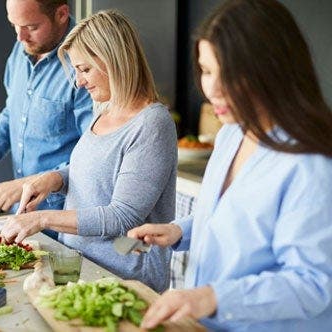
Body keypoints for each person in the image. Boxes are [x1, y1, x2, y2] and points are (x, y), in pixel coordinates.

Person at [128, 0, 332, 330]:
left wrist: (210, 298)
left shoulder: (311, 163)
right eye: (207, 71)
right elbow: (234, 217)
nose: (212, 90)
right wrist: (181, 230)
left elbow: (312, 282)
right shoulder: (231, 135)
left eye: (231, 74)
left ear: (274, 70)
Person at [0, 9, 178, 292]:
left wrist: (41, 218)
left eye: (84, 69)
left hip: (124, 279)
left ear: (114, 60)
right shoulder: (104, 110)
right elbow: (96, 173)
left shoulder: (152, 123)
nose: (79, 82)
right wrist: (55, 179)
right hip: (82, 268)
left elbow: (122, 216)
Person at [0, 0, 93, 216]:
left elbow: (94, 156)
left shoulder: (86, 65)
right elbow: (13, 110)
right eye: (14, 25)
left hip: (64, 218)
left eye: (31, 27)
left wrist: (30, 183)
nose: (19, 37)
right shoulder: (23, 47)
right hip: (23, 214)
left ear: (61, 14)